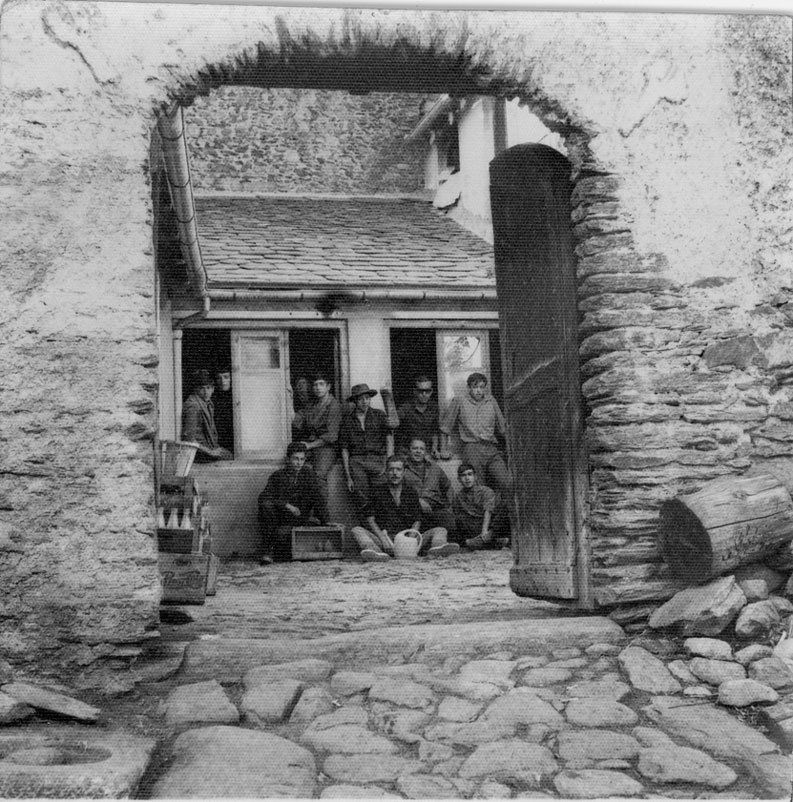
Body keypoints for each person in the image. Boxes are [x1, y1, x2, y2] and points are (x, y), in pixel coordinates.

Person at [351, 455, 460, 562]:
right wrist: (382, 539)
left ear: (403, 472)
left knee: (440, 530)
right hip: (386, 540)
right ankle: (375, 552)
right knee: (357, 530)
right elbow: (370, 519)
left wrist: (410, 539)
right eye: (391, 470)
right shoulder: (376, 491)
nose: (395, 473)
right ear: (386, 472)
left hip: (408, 540)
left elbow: (417, 519)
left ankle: (437, 548)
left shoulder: (411, 492)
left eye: (398, 470)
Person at [440, 372, 513, 502]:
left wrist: (512, 448)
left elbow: (503, 428)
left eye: (481, 387)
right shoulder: (460, 401)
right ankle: (481, 520)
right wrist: (444, 450)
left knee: (506, 482)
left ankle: (501, 518)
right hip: (472, 448)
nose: (479, 391)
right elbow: (445, 427)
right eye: (475, 387)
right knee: (478, 487)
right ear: (469, 388)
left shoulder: (491, 401)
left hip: (491, 449)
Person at [257, 441, 328, 564]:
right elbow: (263, 497)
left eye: (302, 459)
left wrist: (325, 521)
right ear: (287, 459)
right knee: (266, 506)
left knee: (285, 538)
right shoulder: (278, 476)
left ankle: (282, 549)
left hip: (300, 520)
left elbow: (318, 497)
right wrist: (287, 505)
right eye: (295, 459)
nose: (299, 463)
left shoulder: (308, 475)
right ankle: (267, 551)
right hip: (279, 520)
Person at [340, 383, 398, 510]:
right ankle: (368, 528)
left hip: (377, 460)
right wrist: (348, 476)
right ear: (355, 401)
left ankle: (383, 528)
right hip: (357, 462)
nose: (364, 402)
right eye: (360, 399)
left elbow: (389, 438)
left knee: (383, 495)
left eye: (367, 398)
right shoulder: (348, 421)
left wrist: (388, 461)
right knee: (362, 499)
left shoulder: (379, 415)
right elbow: (344, 449)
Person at [292, 373, 342, 500]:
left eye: (321, 384)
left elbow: (332, 436)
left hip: (328, 447)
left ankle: (323, 516)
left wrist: (309, 445)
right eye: (315, 385)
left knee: (319, 476)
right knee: (294, 467)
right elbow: (296, 421)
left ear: (328, 387)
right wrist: (288, 398)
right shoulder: (312, 404)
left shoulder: (333, 405)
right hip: (312, 445)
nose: (318, 388)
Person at [402, 438, 456, 537]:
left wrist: (450, 507)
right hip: (412, 510)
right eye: (415, 448)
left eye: (421, 449)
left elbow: (448, 487)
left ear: (425, 452)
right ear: (409, 451)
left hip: (435, 509)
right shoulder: (403, 469)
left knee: (451, 524)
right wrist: (417, 500)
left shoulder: (434, 468)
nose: (418, 451)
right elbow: (398, 492)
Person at [452, 463, 511, 550]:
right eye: (463, 476)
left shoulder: (485, 491)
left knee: (505, 508)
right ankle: (493, 543)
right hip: (474, 527)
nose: (467, 478)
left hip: (489, 526)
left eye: (470, 474)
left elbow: (488, 511)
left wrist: (484, 533)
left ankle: (479, 542)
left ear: (475, 477)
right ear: (459, 479)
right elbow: (459, 518)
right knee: (454, 525)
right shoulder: (458, 497)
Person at [182, 369, 233, 461]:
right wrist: (210, 452)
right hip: (198, 452)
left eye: (208, 388)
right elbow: (189, 439)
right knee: (230, 458)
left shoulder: (208, 403)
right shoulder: (193, 406)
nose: (205, 392)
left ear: (213, 389)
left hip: (209, 447)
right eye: (201, 388)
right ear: (195, 389)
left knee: (231, 455)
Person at [396, 375, 440, 457]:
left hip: (425, 451)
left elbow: (434, 431)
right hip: (407, 452)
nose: (424, 394)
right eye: (420, 391)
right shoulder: (405, 408)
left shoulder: (434, 408)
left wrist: (434, 448)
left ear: (431, 391)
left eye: (427, 391)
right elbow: (393, 424)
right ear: (415, 391)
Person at [213, 366, 234, 453]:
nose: (222, 381)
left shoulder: (236, 396)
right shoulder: (213, 398)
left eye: (226, 377)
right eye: (219, 378)